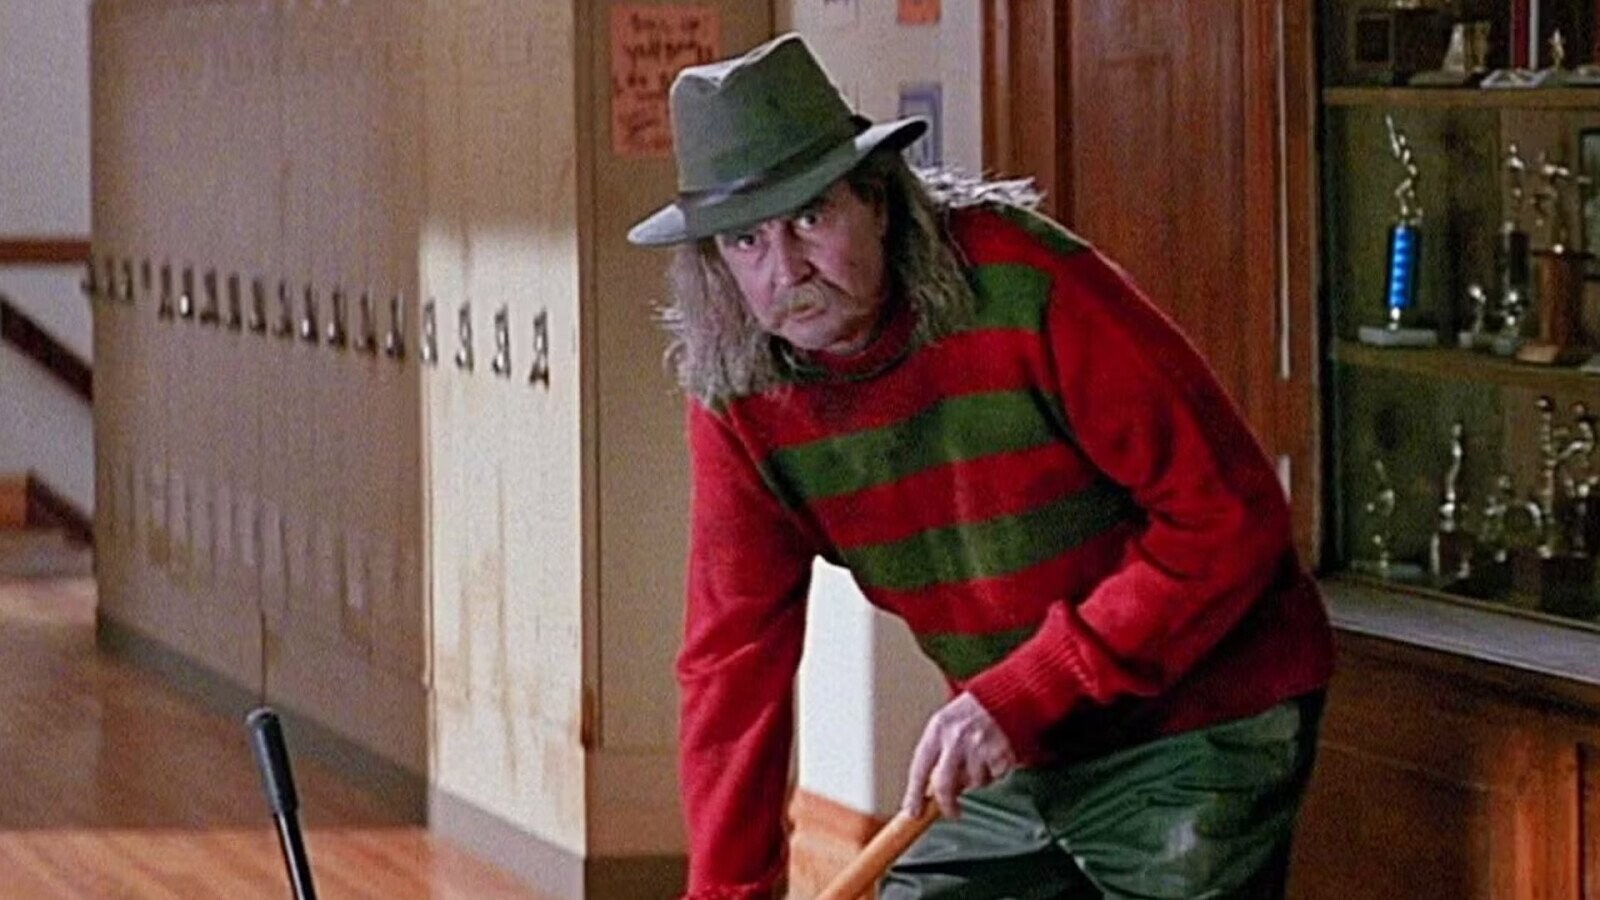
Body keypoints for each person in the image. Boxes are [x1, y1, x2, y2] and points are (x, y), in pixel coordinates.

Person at [628, 32, 1335, 900]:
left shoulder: (1024, 285)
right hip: (1030, 739)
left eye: (810, 217)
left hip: (1202, 713)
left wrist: (1026, 691)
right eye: (744, 240)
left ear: (877, 199)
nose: (786, 270)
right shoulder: (740, 386)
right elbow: (732, 661)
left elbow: (1231, 518)